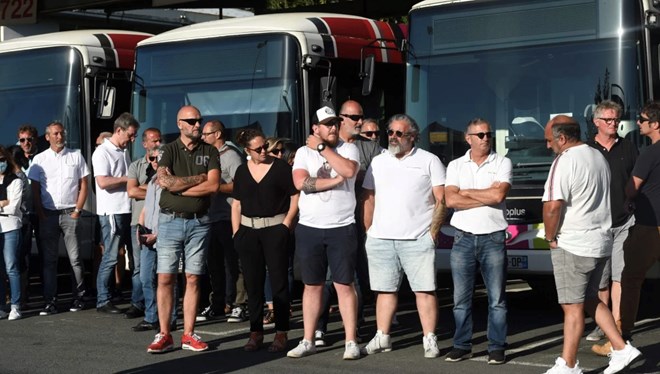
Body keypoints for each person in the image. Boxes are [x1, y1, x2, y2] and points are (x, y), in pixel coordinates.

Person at [542, 115, 641, 374]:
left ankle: (569, 364)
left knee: (571, 307)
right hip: (600, 241)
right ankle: (621, 348)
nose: (548, 145)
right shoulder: (597, 156)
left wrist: (550, 237)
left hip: (573, 243)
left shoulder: (564, 161)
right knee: (590, 299)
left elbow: (552, 206)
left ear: (562, 138)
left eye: (549, 140)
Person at [361, 114, 446, 358]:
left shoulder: (429, 160)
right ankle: (382, 336)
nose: (393, 137)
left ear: (412, 137)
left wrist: (432, 233)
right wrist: (368, 230)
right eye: (390, 132)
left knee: (425, 290)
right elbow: (368, 197)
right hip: (381, 238)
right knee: (384, 290)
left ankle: (429, 338)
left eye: (399, 133)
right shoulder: (378, 161)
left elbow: (441, 199)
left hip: (418, 237)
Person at [287, 106, 361, 360]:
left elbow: (349, 171)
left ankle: (350, 340)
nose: (332, 127)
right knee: (312, 286)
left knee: (343, 285)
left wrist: (322, 148)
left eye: (334, 123)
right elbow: (301, 183)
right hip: (309, 227)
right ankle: (308, 339)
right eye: (327, 124)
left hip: (342, 227)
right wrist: (334, 181)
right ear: (315, 129)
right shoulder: (301, 152)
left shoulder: (347, 148)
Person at [146, 105, 220, 354]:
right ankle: (165, 333)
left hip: (199, 222)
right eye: (190, 121)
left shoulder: (209, 150)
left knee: (193, 277)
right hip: (170, 221)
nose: (196, 125)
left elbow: (213, 186)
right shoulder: (168, 150)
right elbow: (164, 181)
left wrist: (180, 187)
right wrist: (198, 179)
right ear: (179, 123)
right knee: (165, 277)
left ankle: (188, 334)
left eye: (199, 120)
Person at [444, 118, 511, 365]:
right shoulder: (455, 165)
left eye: (488, 134)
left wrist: (467, 192)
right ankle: (461, 345)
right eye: (480, 134)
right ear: (468, 138)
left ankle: (497, 347)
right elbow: (450, 201)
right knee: (460, 299)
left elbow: (499, 195)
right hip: (462, 238)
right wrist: (486, 195)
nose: (485, 138)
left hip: (493, 238)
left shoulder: (503, 162)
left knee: (497, 299)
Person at [232, 129, 299, 352]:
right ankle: (255, 332)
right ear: (247, 150)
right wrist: (236, 232)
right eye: (258, 148)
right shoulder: (242, 171)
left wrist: (286, 224)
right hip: (248, 231)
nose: (264, 151)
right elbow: (237, 203)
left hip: (275, 230)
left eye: (265, 146)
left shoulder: (280, 168)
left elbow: (294, 195)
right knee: (253, 285)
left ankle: (281, 333)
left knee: (279, 283)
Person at [586, 101, 638, 353]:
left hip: (623, 222)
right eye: (608, 120)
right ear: (596, 122)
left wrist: (632, 205)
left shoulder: (628, 147)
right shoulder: (587, 150)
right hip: (596, 225)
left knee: (619, 276)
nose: (613, 124)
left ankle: (615, 325)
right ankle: (601, 324)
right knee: (600, 279)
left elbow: (637, 181)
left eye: (616, 120)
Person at [28, 122, 89, 315]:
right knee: (49, 261)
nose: (59, 136)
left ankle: (78, 297)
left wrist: (78, 210)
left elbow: (84, 184)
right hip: (49, 214)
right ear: (47, 137)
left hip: (70, 212)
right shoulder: (39, 159)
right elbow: (35, 190)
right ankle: (50, 301)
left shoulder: (76, 155)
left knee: (75, 259)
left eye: (62, 133)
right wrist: (41, 213)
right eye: (55, 134)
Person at [617, 102, 660, 351]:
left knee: (630, 279)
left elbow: (632, 188)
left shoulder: (650, 153)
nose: (639, 123)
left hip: (649, 226)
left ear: (654, 125)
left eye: (642, 119)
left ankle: (623, 338)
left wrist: (628, 199)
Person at [197, 119, 244, 322]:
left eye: (206, 134)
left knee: (233, 263)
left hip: (228, 216)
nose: (202, 138)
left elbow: (241, 185)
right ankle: (217, 303)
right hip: (209, 217)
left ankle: (239, 304)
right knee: (213, 264)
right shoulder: (206, 156)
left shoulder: (231, 156)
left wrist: (215, 187)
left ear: (217, 135)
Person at [93, 113, 139, 314]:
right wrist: (128, 179)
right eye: (130, 135)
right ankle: (103, 300)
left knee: (135, 256)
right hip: (112, 211)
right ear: (119, 130)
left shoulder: (123, 151)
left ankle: (138, 299)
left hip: (128, 209)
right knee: (111, 257)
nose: (132, 139)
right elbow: (103, 182)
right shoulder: (102, 152)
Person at [126, 128, 162, 322]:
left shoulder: (166, 166)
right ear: (144, 144)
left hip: (160, 223)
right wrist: (153, 190)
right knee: (140, 267)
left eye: (159, 140)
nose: (156, 144)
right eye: (153, 141)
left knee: (161, 270)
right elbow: (131, 191)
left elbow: (165, 189)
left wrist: (146, 189)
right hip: (138, 223)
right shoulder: (135, 166)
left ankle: (160, 311)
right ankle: (138, 303)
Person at [0, 146, 24, 320]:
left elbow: (13, 206)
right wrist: (2, 203)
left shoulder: (15, 180)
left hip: (11, 227)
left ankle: (15, 305)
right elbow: (6, 205)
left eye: (1, 160)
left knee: (11, 267)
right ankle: (2, 305)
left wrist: (5, 205)